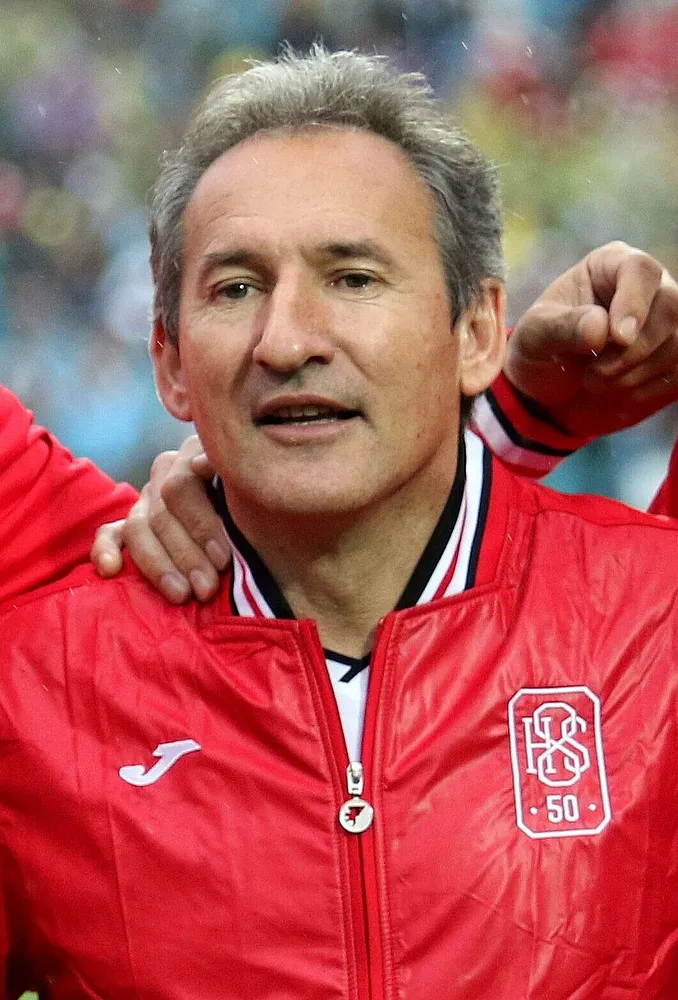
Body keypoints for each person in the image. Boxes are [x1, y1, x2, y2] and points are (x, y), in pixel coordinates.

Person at [2, 47, 678, 998]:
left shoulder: (657, 620)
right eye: (236, 289)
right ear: (170, 364)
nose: (286, 341)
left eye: (354, 278)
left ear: (478, 330)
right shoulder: (35, 689)